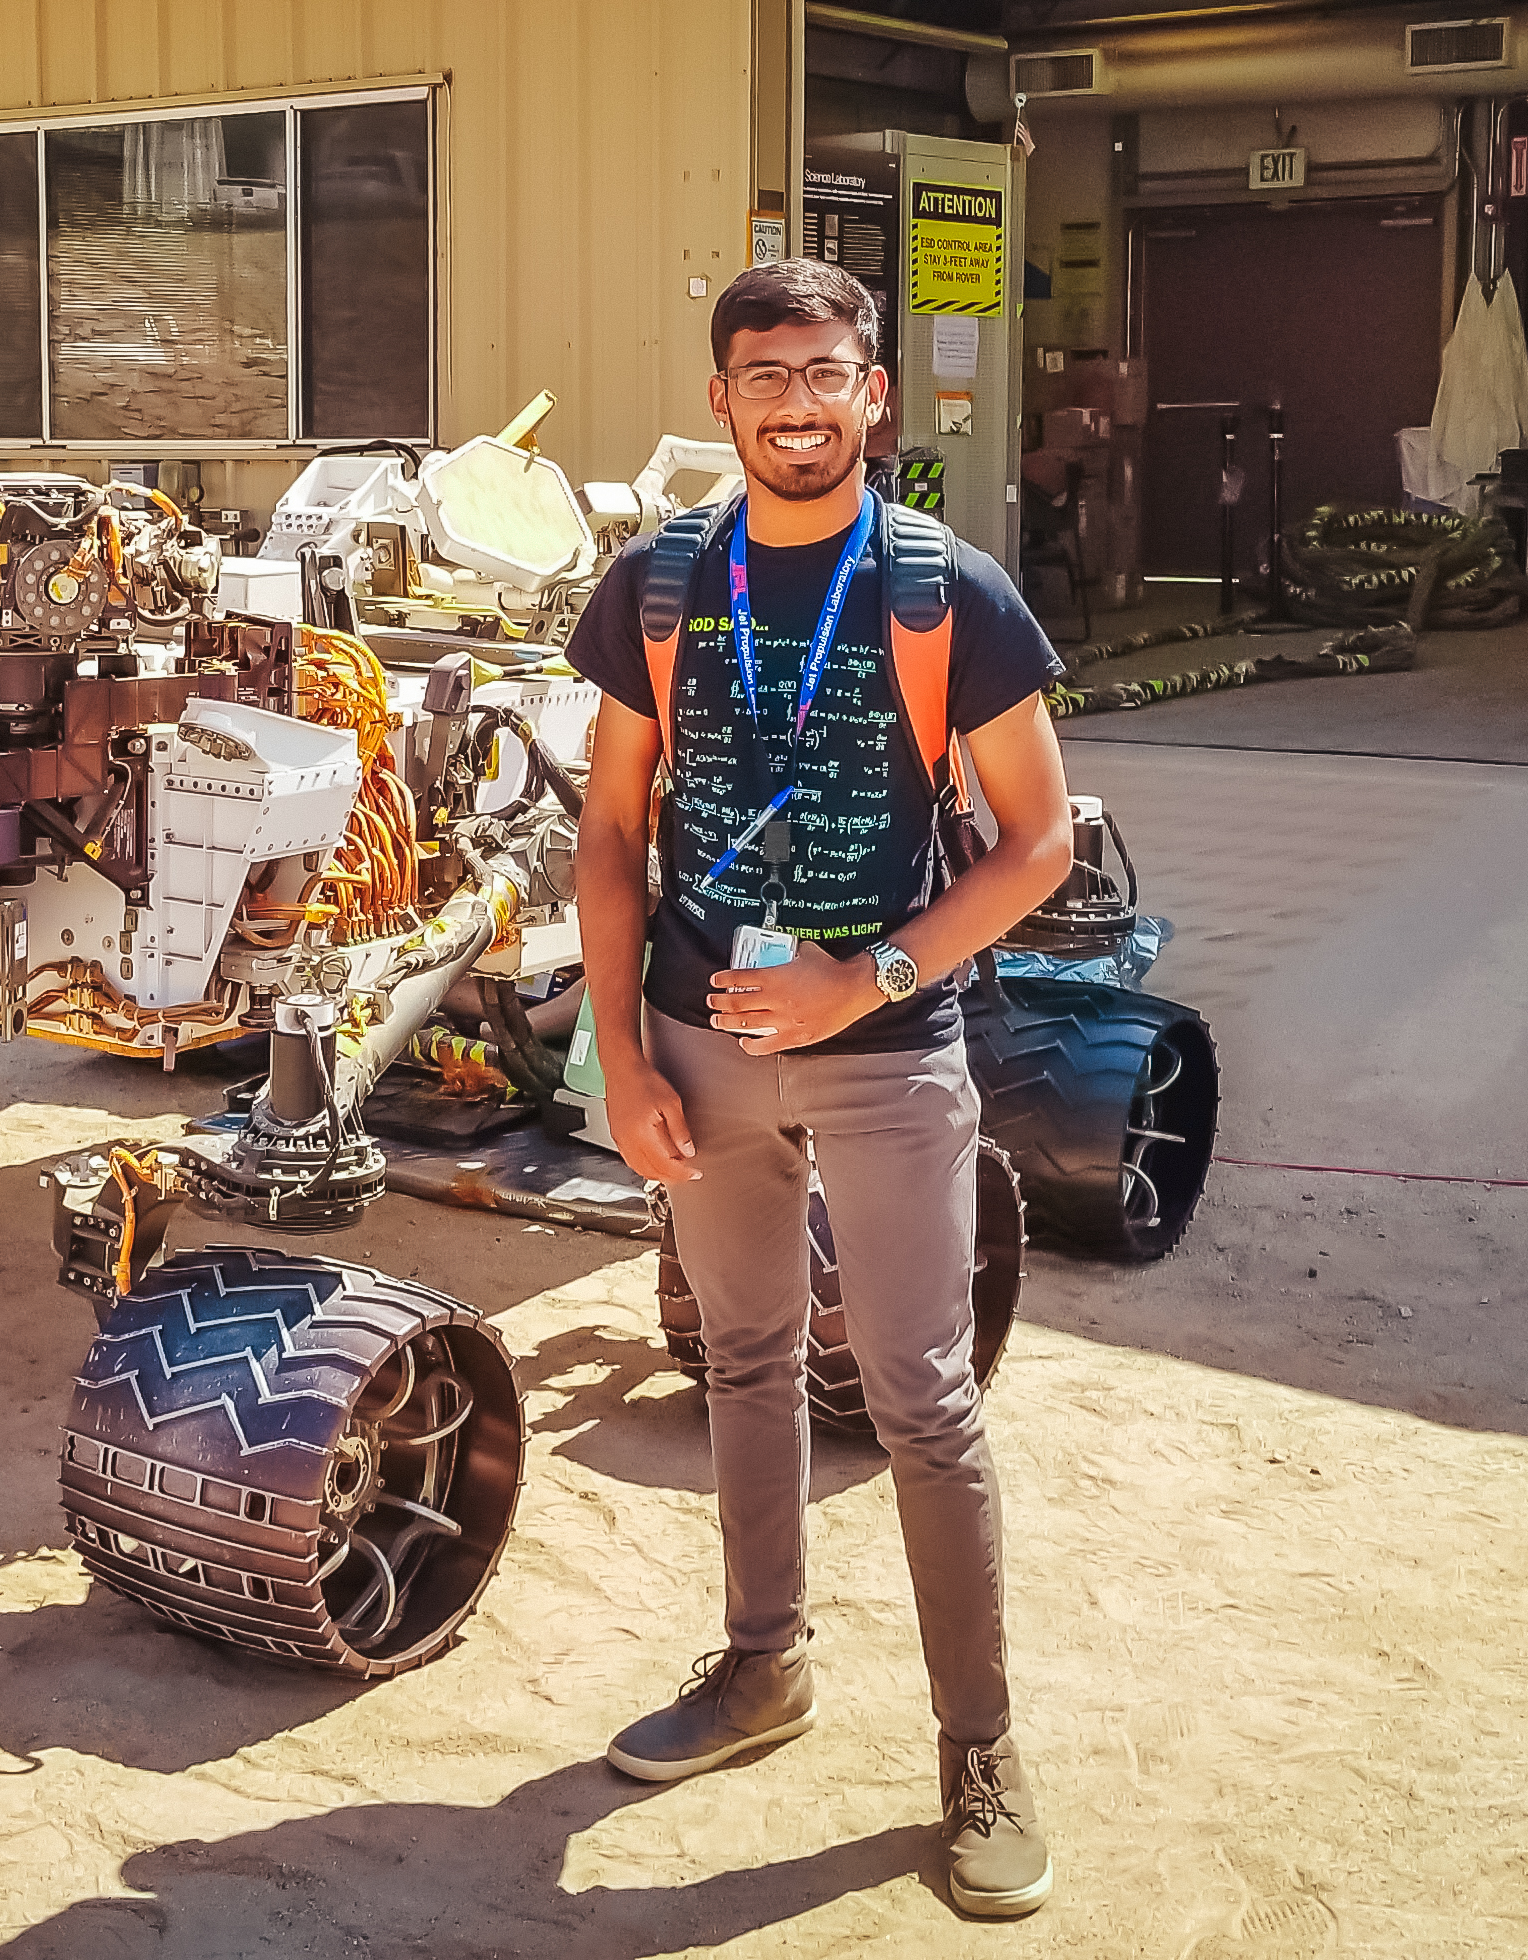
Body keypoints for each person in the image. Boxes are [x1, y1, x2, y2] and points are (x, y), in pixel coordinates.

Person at [565, 258, 1078, 1918]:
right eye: (764, 373)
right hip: (702, 1056)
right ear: (720, 398)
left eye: (827, 371)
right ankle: (761, 1669)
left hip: (886, 1062)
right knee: (744, 1357)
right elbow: (612, 832)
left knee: (923, 1397)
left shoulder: (950, 591)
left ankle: (980, 1753)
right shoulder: (658, 586)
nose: (796, 400)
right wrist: (627, 1054)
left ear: (874, 392)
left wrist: (866, 979)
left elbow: (1039, 845)